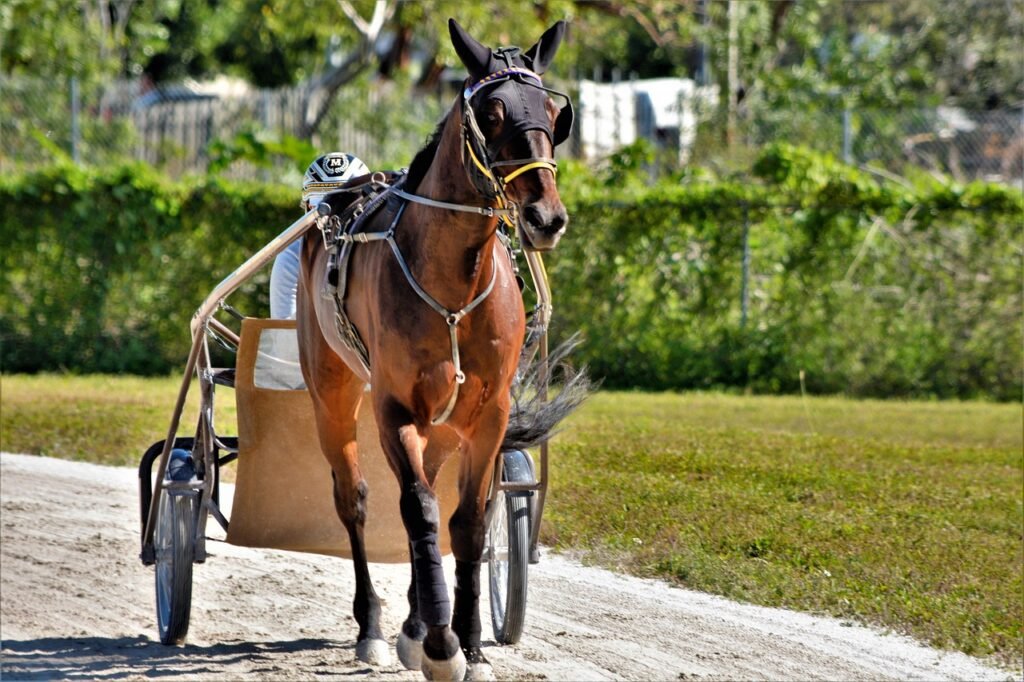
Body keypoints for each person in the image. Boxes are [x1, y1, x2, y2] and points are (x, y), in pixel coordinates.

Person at [269, 152, 370, 319]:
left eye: (348, 210)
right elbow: (285, 332)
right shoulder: (293, 253)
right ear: (308, 207)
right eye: (323, 211)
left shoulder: (381, 244)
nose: (334, 223)